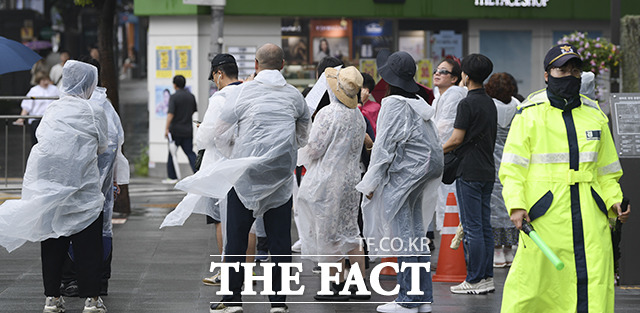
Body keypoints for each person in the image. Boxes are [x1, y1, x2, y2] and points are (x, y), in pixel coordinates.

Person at [172, 44, 309, 313]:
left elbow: (218, 132)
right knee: (280, 243)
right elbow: (303, 136)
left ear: (256, 65)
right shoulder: (295, 97)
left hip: (244, 178)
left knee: (235, 239)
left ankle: (233, 300)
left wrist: (236, 153)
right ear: (282, 65)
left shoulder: (243, 93)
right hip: (280, 181)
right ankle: (278, 303)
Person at [499, 44, 630, 313]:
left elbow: (607, 172)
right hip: (544, 218)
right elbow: (512, 169)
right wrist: (516, 205)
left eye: (575, 70)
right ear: (547, 74)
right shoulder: (529, 114)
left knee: (592, 282)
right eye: (562, 70)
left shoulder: (595, 116)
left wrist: (615, 202)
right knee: (534, 288)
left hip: (591, 218)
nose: (569, 75)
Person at [0, 60, 109, 313]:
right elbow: (102, 146)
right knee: (87, 246)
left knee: (52, 242)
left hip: (50, 188)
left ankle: (52, 298)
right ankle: (92, 300)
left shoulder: (52, 110)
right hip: (83, 190)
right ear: (88, 84)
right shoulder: (94, 111)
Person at [357, 51, 442, 313]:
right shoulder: (417, 100)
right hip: (425, 171)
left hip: (405, 175)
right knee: (416, 233)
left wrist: (369, 185)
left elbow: (383, 148)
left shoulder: (393, 103)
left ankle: (407, 299)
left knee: (405, 235)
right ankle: (422, 298)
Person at [59, 56, 130, 297]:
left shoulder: (76, 104)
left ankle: (72, 280)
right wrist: (113, 179)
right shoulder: (105, 104)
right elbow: (116, 143)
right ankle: (99, 281)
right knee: (102, 229)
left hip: (79, 181)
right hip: (101, 184)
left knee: (72, 228)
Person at [296, 66, 368, 301]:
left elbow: (313, 149)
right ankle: (358, 284)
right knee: (351, 231)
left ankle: (335, 286)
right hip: (351, 179)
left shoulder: (328, 113)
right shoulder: (358, 115)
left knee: (329, 233)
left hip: (327, 181)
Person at [442, 53, 497, 295]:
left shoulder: (466, 103)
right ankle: (486, 277)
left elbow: (456, 139)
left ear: (464, 75)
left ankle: (474, 279)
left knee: (472, 227)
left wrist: (436, 150)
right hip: (486, 169)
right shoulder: (489, 101)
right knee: (483, 226)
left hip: (469, 170)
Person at [484, 72, 520, 267]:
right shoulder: (518, 106)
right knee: (509, 204)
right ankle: (508, 249)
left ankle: (496, 251)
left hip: (492, 160)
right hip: (512, 159)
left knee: (493, 206)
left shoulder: (488, 105)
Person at [431, 58, 466, 233]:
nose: (437, 73)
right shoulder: (438, 97)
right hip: (441, 156)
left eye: (443, 71)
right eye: (436, 70)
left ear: (454, 78)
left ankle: (456, 247)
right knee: (444, 202)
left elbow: (443, 129)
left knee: (451, 204)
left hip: (450, 156)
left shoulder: (454, 94)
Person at [164, 75, 197, 183]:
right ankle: (198, 172)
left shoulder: (174, 97)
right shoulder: (191, 96)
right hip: (188, 130)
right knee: (190, 153)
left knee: (172, 153)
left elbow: (170, 114)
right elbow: (193, 110)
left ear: (174, 85)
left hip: (175, 130)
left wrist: (166, 128)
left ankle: (172, 177)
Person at [17, 71, 60, 145]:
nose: (46, 82)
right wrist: (21, 118)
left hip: (51, 119)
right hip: (37, 119)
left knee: (50, 143)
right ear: (39, 81)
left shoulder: (54, 89)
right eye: (43, 80)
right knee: (36, 143)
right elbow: (27, 105)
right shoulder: (34, 90)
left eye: (47, 79)